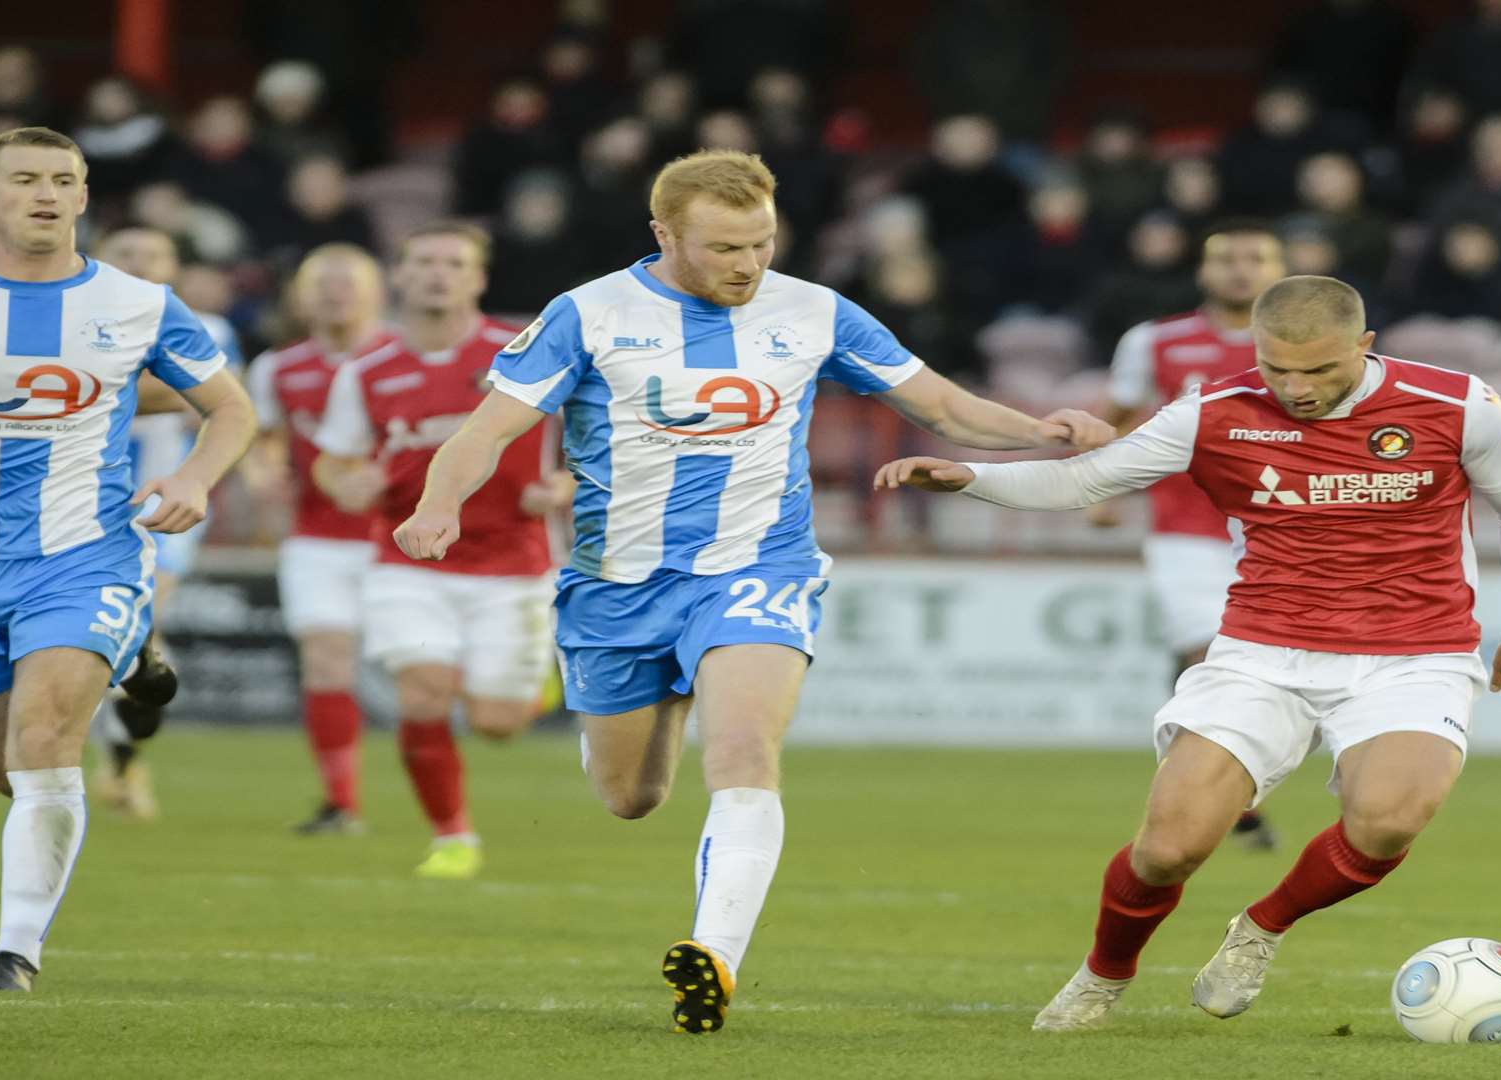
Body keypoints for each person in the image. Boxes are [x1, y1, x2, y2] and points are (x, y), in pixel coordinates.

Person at [392, 150, 1114, 1034]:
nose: (748, 264)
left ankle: (715, 959)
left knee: (741, 752)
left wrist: (1041, 429)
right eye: (725, 246)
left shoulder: (814, 310)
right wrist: (438, 505)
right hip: (617, 585)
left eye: (762, 244)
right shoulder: (587, 314)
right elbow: (488, 429)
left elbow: (944, 406)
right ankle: (646, 701)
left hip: (756, 571)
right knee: (631, 796)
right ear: (665, 235)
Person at [875, 275, 1501, 1032]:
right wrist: (970, 478)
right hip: (1263, 650)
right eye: (1277, 368)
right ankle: (1103, 975)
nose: (1296, 387)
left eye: (1320, 370)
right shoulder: (1215, 413)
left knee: (1388, 822)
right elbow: (1086, 481)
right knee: (1169, 849)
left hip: (1414, 653)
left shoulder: (1457, 404)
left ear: (1365, 348)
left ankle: (1261, 928)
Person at [0, 127, 256, 992]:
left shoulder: (139, 302)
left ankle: (14, 954)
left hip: (83, 554)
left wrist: (193, 477)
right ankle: (134, 652)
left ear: (82, 199)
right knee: (3, 767)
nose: (45, 193)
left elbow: (230, 409)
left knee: (44, 749)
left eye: (62, 180)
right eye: (24, 179)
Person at [311, 222, 569, 876]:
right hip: (409, 560)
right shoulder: (367, 372)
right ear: (399, 276)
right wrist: (349, 484)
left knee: (497, 723)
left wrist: (565, 483)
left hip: (514, 563)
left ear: (478, 278)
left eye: (454, 263)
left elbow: (598, 441)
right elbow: (332, 464)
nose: (437, 274)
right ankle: (453, 836)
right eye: (424, 262)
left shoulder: (522, 351)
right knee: (424, 693)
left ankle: (536, 682)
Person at [1091, 220, 1289, 852]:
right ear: (1203, 271)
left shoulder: (1303, 345)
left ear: (1278, 269)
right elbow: (1119, 417)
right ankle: (1223, 798)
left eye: (1255, 257)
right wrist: (1101, 486)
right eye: (1227, 257)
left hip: (1279, 525)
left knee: (1263, 665)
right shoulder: (1155, 341)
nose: (1240, 268)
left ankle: (1225, 783)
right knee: (1207, 653)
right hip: (1185, 523)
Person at [84, 225, 245, 820]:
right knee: (107, 634)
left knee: (134, 629)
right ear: (102, 259)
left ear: (174, 266)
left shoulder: (207, 330)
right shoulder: (73, 323)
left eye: (155, 255)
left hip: (162, 509)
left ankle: (124, 758)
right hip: (76, 505)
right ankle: (119, 758)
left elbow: (209, 402)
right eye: (127, 253)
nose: (141, 264)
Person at [244, 243, 394, 834]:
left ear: (377, 292)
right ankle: (341, 802)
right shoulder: (276, 368)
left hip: (405, 540)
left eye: (348, 282)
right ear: (301, 297)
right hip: (319, 539)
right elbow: (265, 441)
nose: (335, 293)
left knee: (431, 674)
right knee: (327, 660)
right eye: (322, 282)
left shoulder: (403, 357)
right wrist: (262, 473)